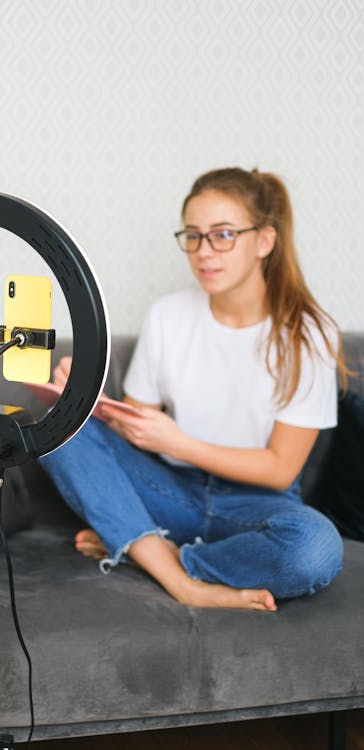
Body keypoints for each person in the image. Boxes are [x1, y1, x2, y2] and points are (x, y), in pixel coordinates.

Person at [39, 167, 347, 612]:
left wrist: (179, 441)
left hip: (255, 505)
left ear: (264, 240)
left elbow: (281, 470)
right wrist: (88, 402)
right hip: (170, 490)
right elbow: (137, 426)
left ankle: (154, 553)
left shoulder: (309, 334)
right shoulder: (168, 315)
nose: (204, 252)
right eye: (194, 236)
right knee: (57, 429)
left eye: (223, 235)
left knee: (315, 548)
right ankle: (184, 582)